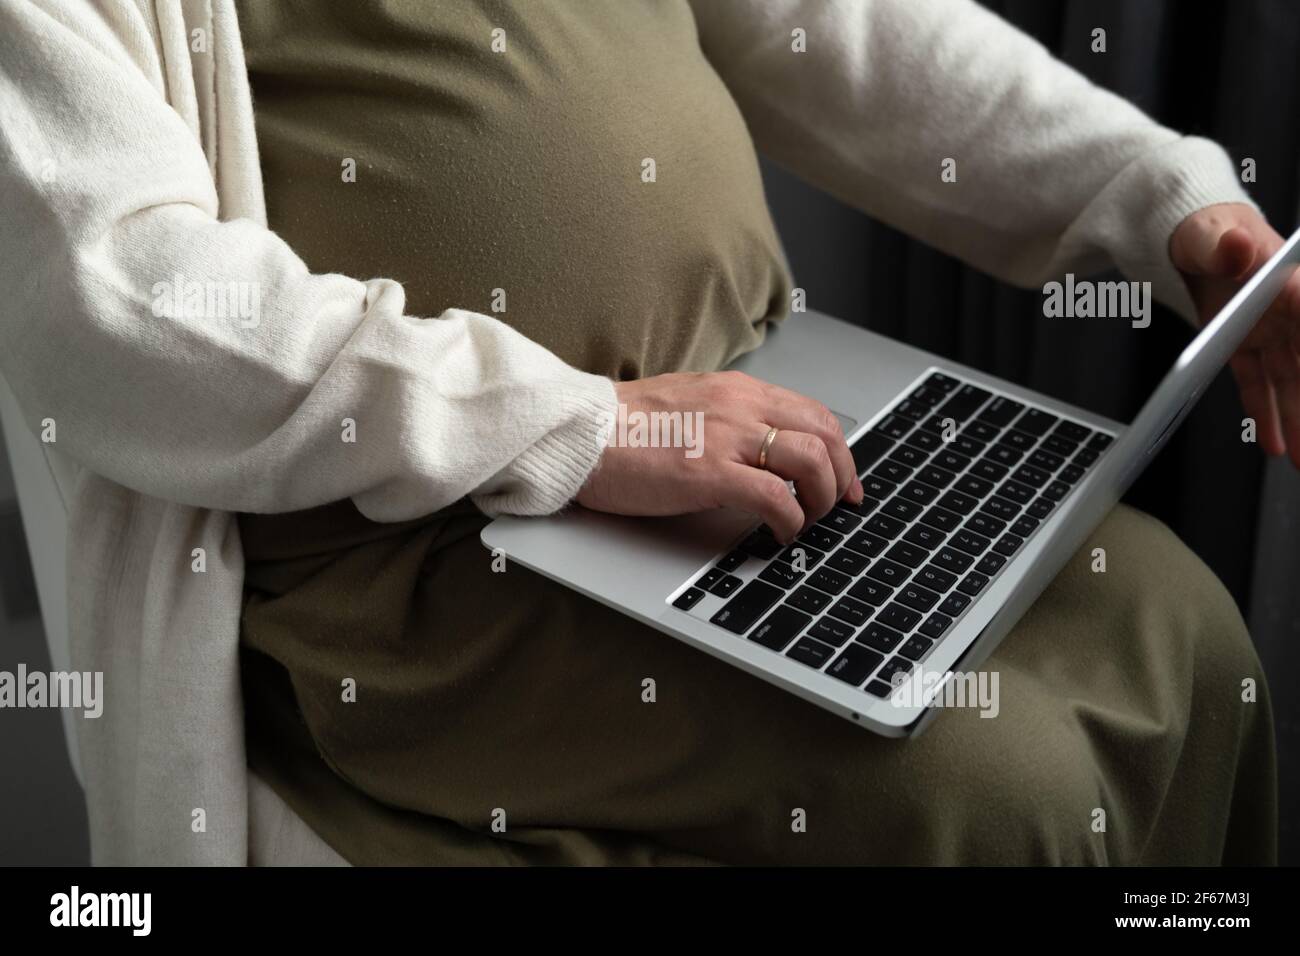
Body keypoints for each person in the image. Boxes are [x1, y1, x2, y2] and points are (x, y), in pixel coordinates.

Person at [0, 0, 1293, 865]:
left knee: (1184, 631)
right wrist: (588, 426)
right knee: (996, 797)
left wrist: (1156, 197)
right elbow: (110, 298)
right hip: (424, 544)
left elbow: (828, 27)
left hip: (774, 408)